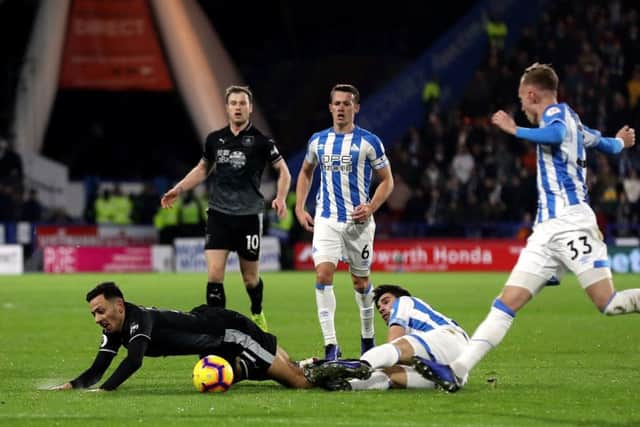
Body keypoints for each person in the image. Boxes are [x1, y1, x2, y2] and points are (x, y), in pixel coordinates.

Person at [415, 63, 640, 393]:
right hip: (546, 233)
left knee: (609, 304)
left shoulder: (558, 115)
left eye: (521, 100)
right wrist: (621, 143)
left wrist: (514, 129)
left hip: (572, 225)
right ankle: (458, 370)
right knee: (505, 303)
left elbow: (556, 134)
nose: (520, 106)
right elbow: (602, 143)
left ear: (532, 94)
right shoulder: (576, 121)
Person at [161, 85, 291, 332]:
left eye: (243, 103)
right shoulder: (214, 139)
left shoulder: (262, 142)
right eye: (234, 103)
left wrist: (281, 197)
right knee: (214, 274)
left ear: (250, 108)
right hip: (219, 215)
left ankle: (257, 311)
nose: (238, 108)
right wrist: (178, 188)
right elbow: (202, 169)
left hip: (249, 216)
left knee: (250, 279)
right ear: (227, 108)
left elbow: (283, 171)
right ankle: (216, 327)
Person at [49, 282, 315, 391]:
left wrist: (105, 391)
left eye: (100, 311)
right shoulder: (114, 329)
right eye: (93, 314)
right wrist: (72, 386)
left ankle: (348, 378)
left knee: (296, 382)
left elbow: (134, 361)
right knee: (279, 368)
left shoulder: (139, 319)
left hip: (229, 331)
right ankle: (311, 364)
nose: (97, 319)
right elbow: (98, 368)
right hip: (212, 343)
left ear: (119, 305)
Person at [294, 84, 394, 359]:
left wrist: (371, 206)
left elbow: (387, 180)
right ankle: (331, 346)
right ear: (330, 108)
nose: (340, 108)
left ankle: (367, 339)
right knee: (323, 275)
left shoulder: (369, 142)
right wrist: (300, 207)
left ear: (356, 108)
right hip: (326, 219)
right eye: (336, 103)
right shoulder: (318, 141)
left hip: (358, 224)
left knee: (361, 283)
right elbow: (305, 173)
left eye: (346, 104)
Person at [306, 284, 469, 391]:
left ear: (398, 299)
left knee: (393, 350)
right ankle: (345, 386)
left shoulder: (405, 301)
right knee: (390, 376)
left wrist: (364, 363)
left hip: (451, 338)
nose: (382, 308)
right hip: (455, 373)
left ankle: (359, 365)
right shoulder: (414, 334)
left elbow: (394, 344)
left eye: (386, 302)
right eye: (379, 307)